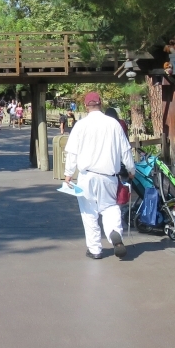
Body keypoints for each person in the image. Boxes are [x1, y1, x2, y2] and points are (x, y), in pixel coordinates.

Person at [63, 91, 135, 260]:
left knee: (89, 212)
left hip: (86, 176)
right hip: (109, 175)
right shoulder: (114, 124)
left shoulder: (80, 125)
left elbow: (72, 152)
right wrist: (131, 170)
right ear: (100, 104)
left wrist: (68, 175)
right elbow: (125, 150)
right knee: (110, 207)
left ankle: (95, 249)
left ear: (86, 106)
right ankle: (114, 233)